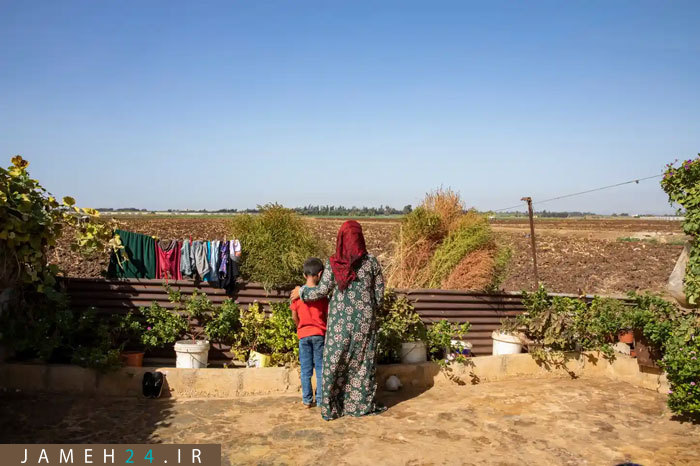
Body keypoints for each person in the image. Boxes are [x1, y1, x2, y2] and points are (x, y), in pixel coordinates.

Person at [291, 220, 385, 420]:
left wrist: (302, 291)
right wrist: (368, 312)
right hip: (365, 322)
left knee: (335, 361)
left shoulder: (334, 264)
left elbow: (321, 291)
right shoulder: (372, 263)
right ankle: (358, 405)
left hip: (339, 322)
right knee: (362, 363)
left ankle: (333, 406)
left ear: (341, 239)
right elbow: (379, 296)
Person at [290, 257, 329, 408]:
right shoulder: (322, 296)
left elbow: (294, 316)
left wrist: (300, 327)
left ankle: (307, 400)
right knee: (320, 368)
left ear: (304, 275)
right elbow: (326, 315)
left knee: (306, 370)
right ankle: (320, 400)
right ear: (320, 274)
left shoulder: (296, 295)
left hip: (304, 335)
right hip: (319, 334)